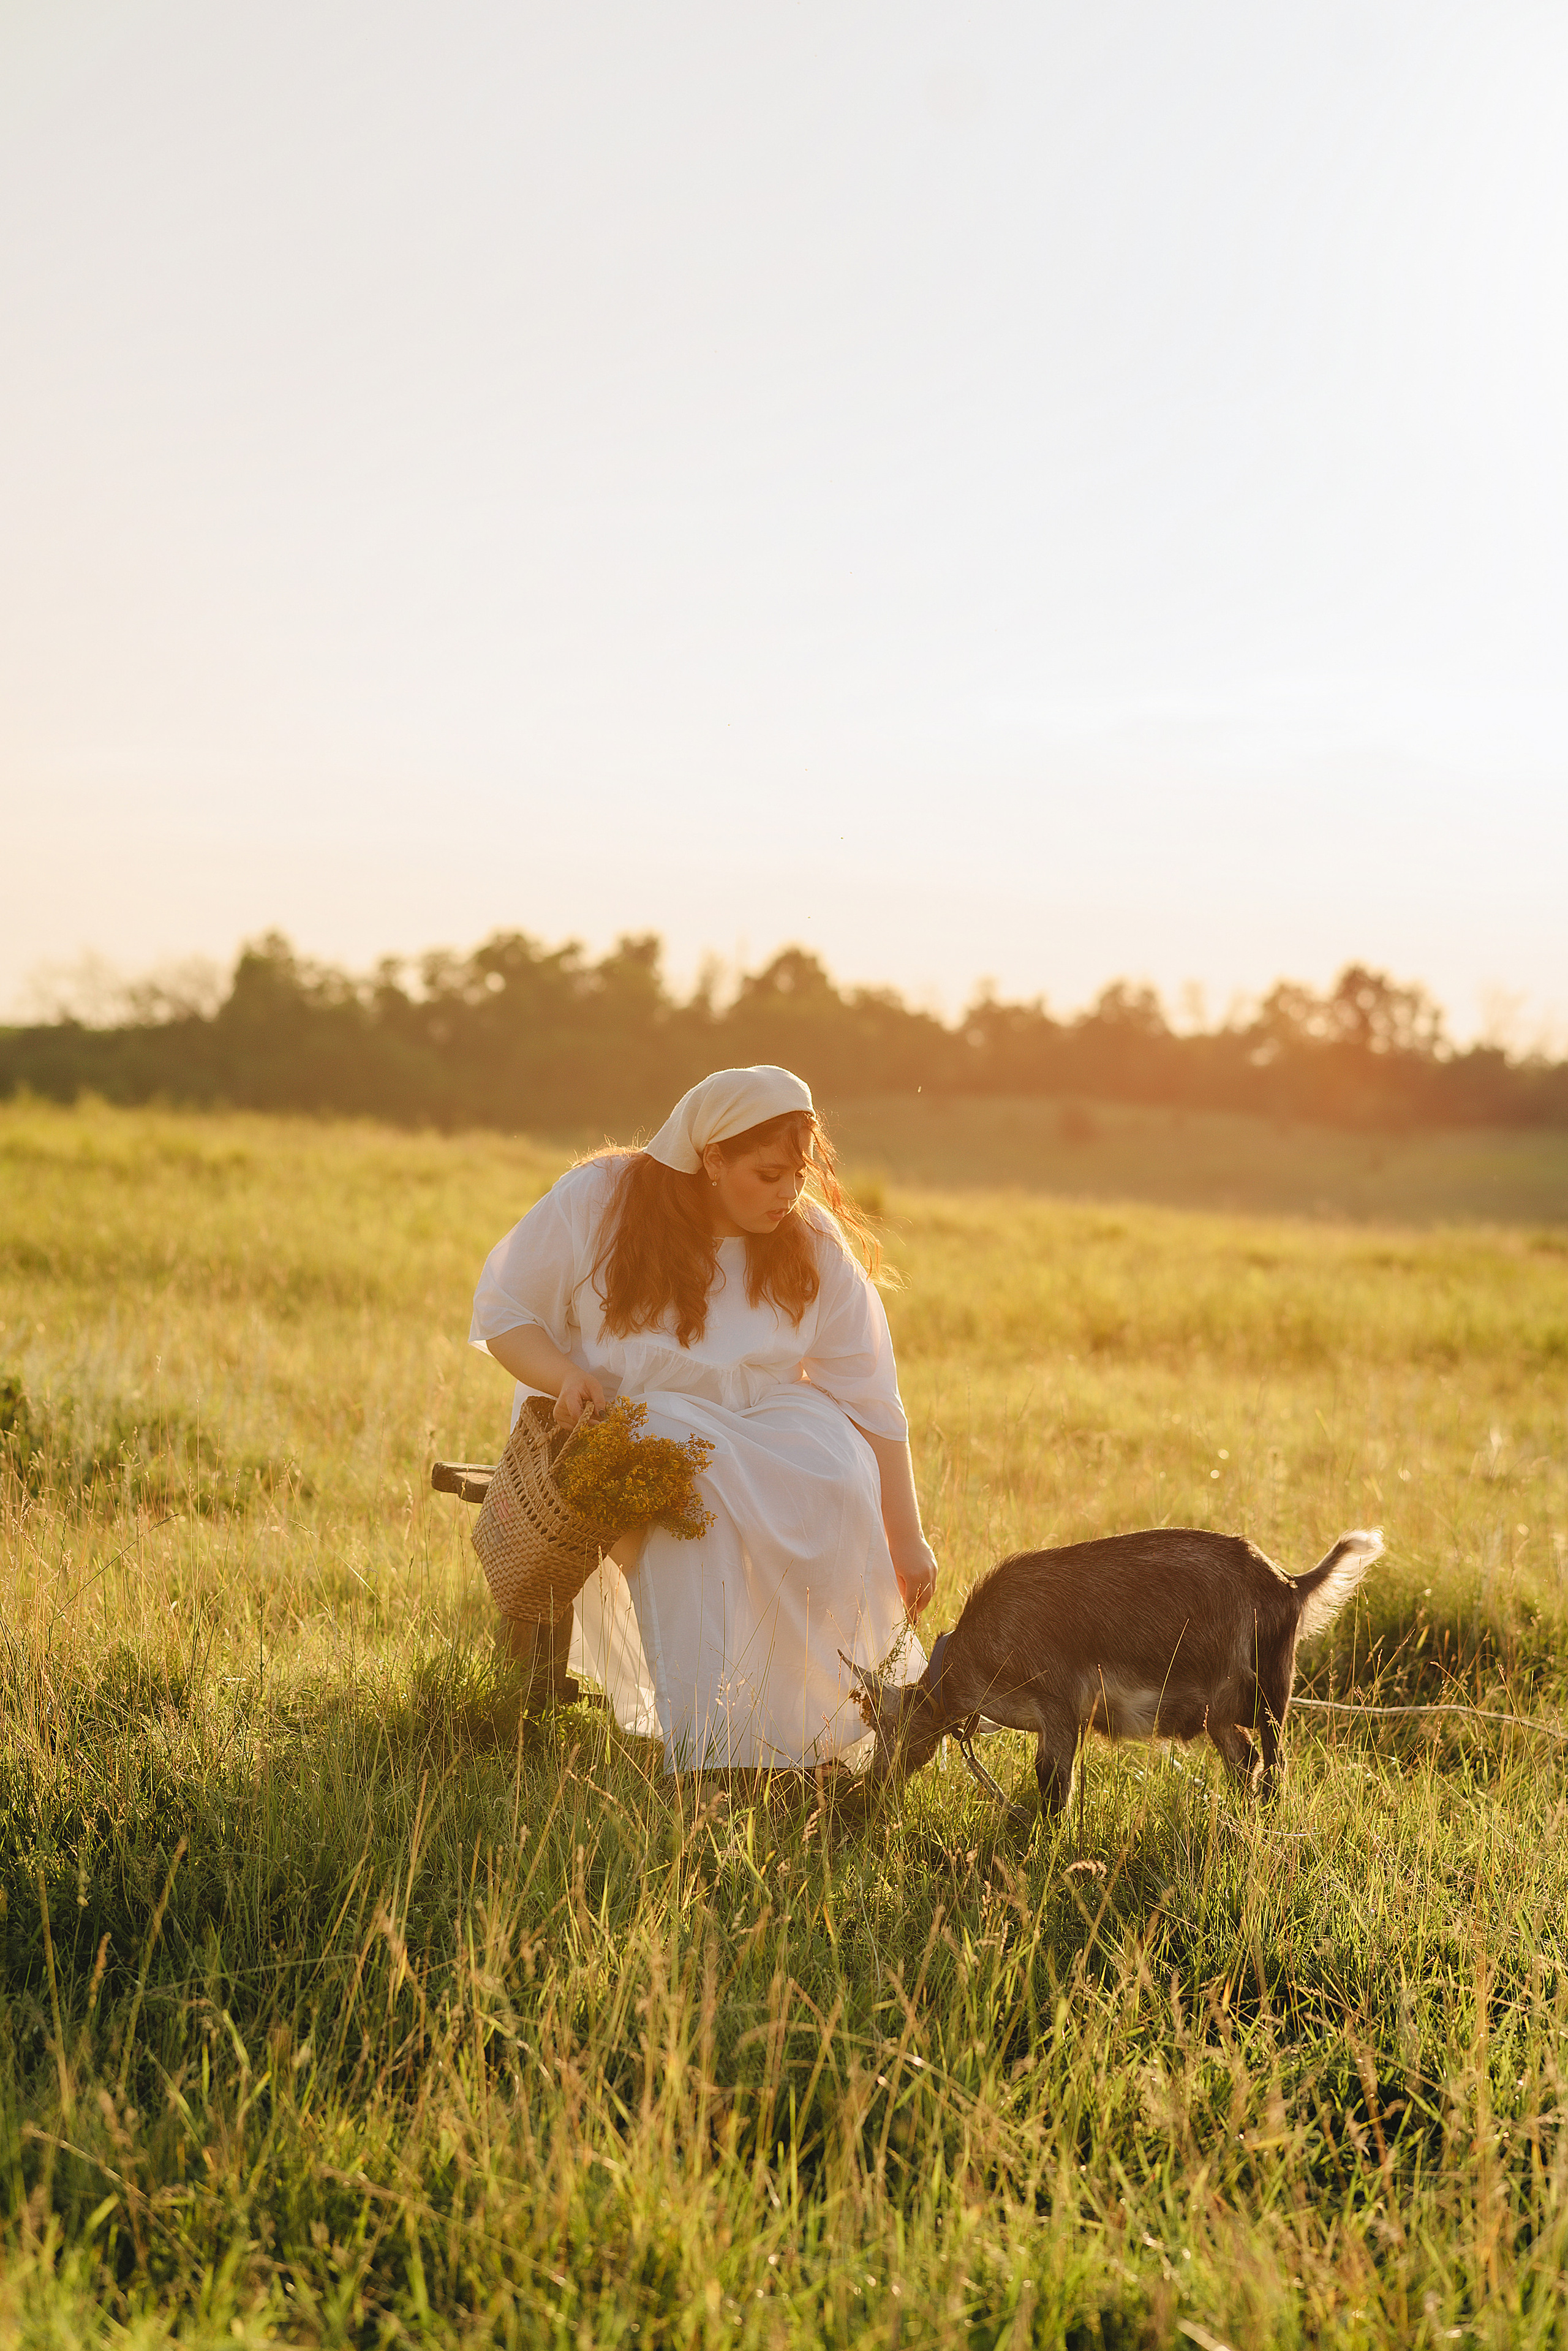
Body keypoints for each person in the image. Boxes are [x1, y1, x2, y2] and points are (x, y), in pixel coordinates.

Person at [469, 1065, 938, 1770]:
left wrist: (907, 1537)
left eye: (799, 1173)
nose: (789, 1192)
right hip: (637, 1417)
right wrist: (564, 1375)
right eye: (768, 1173)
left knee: (839, 1471)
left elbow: (871, 1393)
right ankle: (720, 1747)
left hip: (765, 1416)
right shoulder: (602, 1199)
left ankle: (834, 1731)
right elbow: (507, 1312)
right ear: (711, 1157)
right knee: (692, 1492)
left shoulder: (805, 1235)